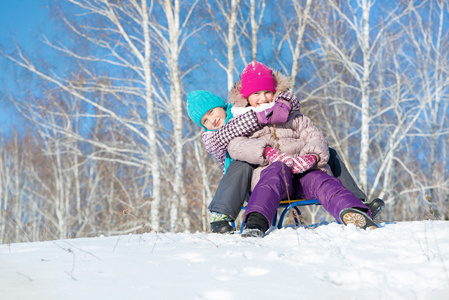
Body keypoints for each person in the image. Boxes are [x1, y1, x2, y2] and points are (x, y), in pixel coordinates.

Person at [225, 60, 379, 237]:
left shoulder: (292, 116)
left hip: (301, 173)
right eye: (256, 93)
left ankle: (354, 212)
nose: (262, 98)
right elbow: (235, 146)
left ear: (275, 92)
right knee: (276, 170)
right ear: (245, 97)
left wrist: (312, 157)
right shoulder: (242, 121)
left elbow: (315, 136)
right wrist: (267, 152)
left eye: (267, 92)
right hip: (269, 176)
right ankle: (256, 222)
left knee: (319, 179)